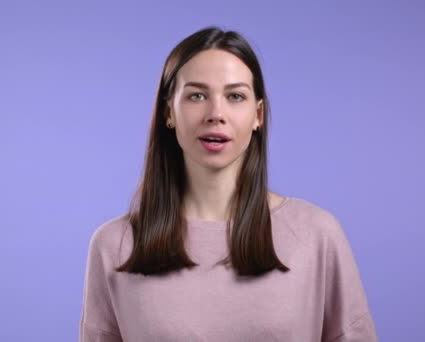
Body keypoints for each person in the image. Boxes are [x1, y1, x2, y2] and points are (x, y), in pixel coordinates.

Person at [79, 27, 377, 341]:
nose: (216, 113)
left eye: (235, 96)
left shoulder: (317, 235)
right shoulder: (115, 246)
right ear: (169, 112)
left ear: (257, 115)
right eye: (197, 95)